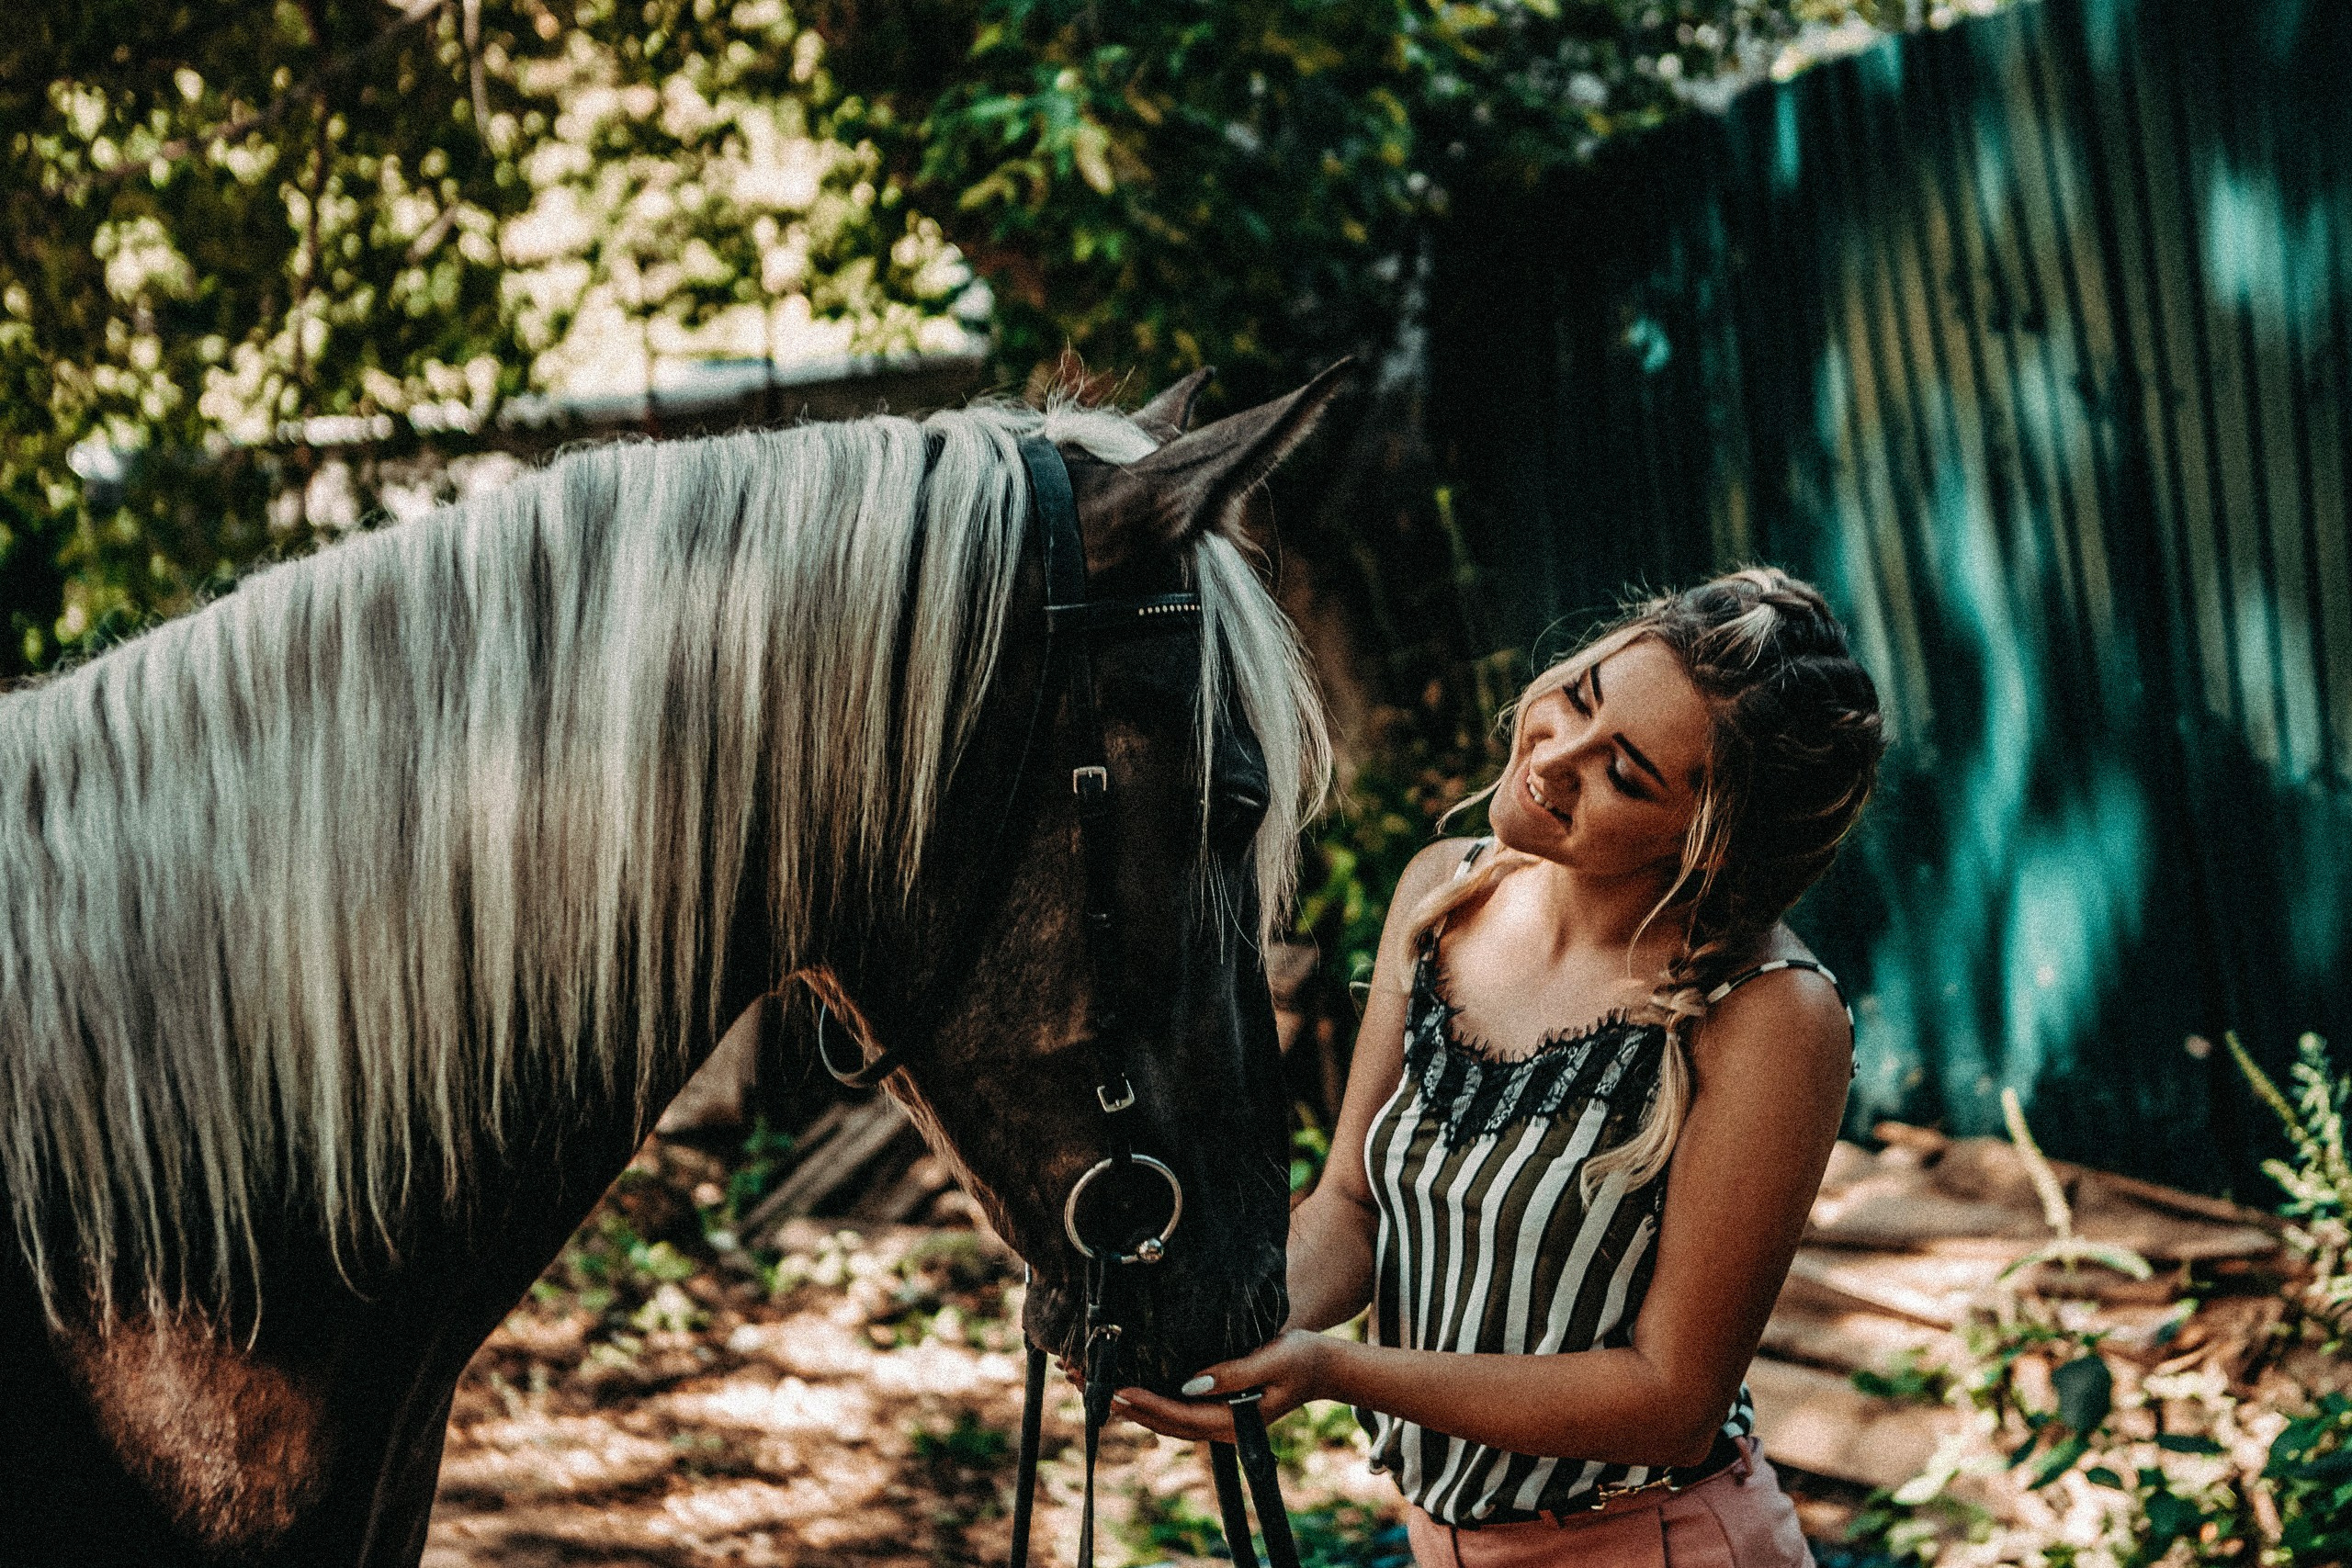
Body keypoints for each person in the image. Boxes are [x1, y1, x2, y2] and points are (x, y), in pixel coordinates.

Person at [1114, 568, 1887, 1566]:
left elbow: (1669, 1404)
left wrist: (1337, 1371)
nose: (1555, 757)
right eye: (1578, 697)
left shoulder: (1770, 1012)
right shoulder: (1444, 894)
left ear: (1709, 845)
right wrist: (1220, 1341)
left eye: (1625, 774)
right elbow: (1351, 1205)